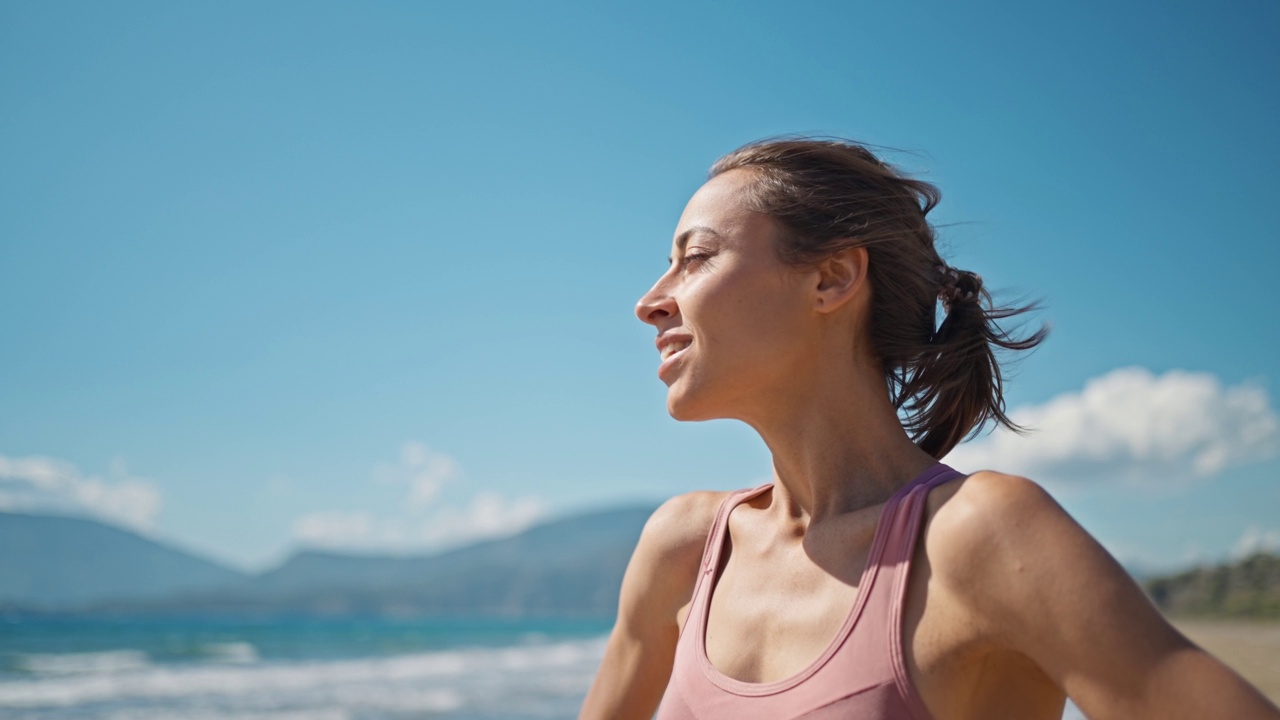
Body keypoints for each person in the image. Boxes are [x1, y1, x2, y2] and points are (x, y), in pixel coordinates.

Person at [579, 138, 1280, 720]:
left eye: (696, 258)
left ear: (831, 278)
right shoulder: (684, 550)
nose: (649, 302)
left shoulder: (980, 539)